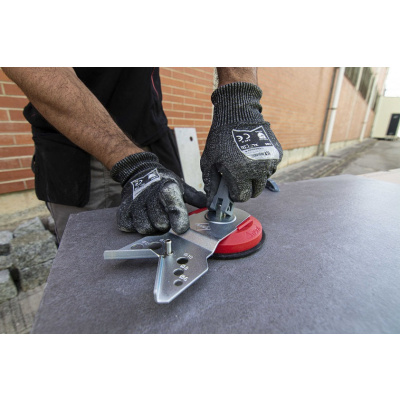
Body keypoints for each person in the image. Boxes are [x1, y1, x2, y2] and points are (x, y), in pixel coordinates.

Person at [2, 67, 283, 242]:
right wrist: (131, 165)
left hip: (153, 134)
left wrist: (239, 100)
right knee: (98, 271)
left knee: (178, 239)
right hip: (80, 149)